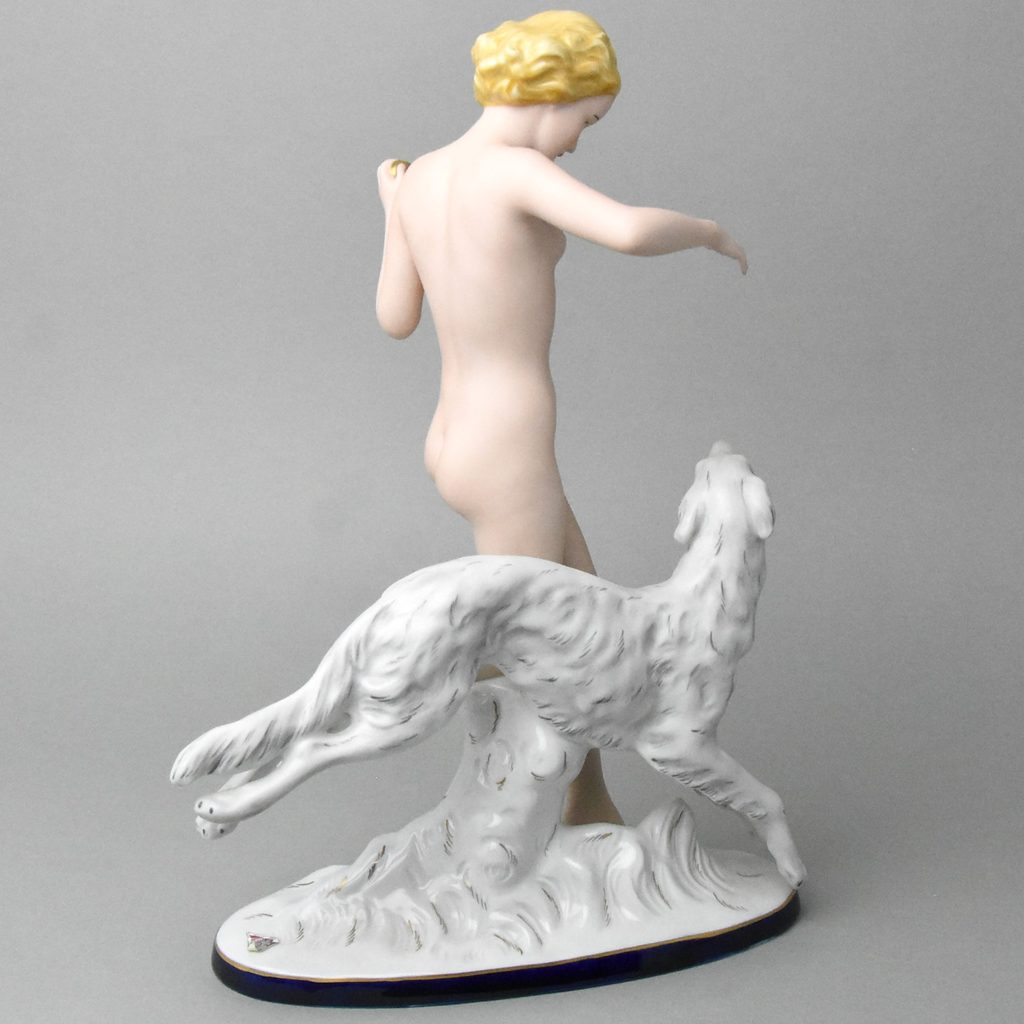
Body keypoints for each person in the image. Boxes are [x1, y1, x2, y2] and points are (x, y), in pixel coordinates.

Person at [374, 10, 747, 827]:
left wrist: (391, 210)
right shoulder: (513, 170)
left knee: (584, 625)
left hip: (454, 439)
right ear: (553, 94)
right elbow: (628, 230)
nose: (578, 140)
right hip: (507, 447)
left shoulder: (422, 177)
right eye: (587, 119)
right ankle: (502, 822)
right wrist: (708, 232)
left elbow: (394, 317)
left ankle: (589, 806)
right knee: (541, 652)